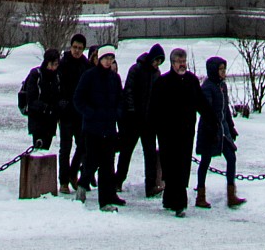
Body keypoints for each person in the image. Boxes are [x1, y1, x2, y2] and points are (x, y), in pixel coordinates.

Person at [149, 47, 207, 216]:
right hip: (167, 133)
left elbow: (200, 102)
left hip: (186, 131)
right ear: (172, 63)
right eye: (179, 62)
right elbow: (154, 108)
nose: (182, 65)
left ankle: (179, 203)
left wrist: (211, 119)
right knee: (170, 167)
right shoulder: (163, 82)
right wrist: (153, 128)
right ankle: (170, 199)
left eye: (184, 62)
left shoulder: (191, 80)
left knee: (182, 167)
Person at [74, 46, 128, 209]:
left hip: (109, 128)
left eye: (111, 59)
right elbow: (78, 99)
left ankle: (105, 200)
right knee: (91, 161)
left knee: (107, 165)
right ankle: (82, 186)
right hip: (92, 128)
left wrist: (117, 114)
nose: (108, 62)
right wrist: (90, 113)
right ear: (99, 59)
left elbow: (120, 99)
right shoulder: (89, 76)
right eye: (106, 58)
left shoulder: (114, 78)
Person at [195, 54, 243, 209]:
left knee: (231, 157)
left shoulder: (222, 86)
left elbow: (226, 109)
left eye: (224, 69)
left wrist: (231, 126)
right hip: (210, 131)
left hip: (223, 130)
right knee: (205, 162)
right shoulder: (207, 87)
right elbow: (206, 110)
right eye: (220, 69)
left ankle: (231, 194)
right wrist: (213, 127)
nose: (223, 72)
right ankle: (200, 195)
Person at [118, 43, 166, 196]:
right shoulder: (136, 69)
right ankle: (118, 180)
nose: (157, 64)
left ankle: (150, 185)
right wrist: (132, 113)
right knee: (126, 151)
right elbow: (129, 92)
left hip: (149, 121)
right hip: (134, 120)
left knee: (150, 154)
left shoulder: (156, 74)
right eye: (156, 60)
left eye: (159, 61)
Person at [58, 31, 92, 192]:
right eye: (74, 47)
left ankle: (73, 173)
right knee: (65, 147)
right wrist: (61, 103)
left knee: (82, 146)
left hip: (80, 113)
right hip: (66, 112)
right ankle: (63, 180)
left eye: (79, 48)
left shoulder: (85, 65)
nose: (76, 50)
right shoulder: (63, 63)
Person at [19, 47, 61, 151]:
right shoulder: (36, 75)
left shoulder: (57, 77)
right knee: (39, 148)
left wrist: (56, 107)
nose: (53, 68)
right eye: (51, 64)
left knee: (46, 148)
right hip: (37, 118)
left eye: (55, 64)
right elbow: (31, 99)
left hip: (51, 120)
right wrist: (45, 107)